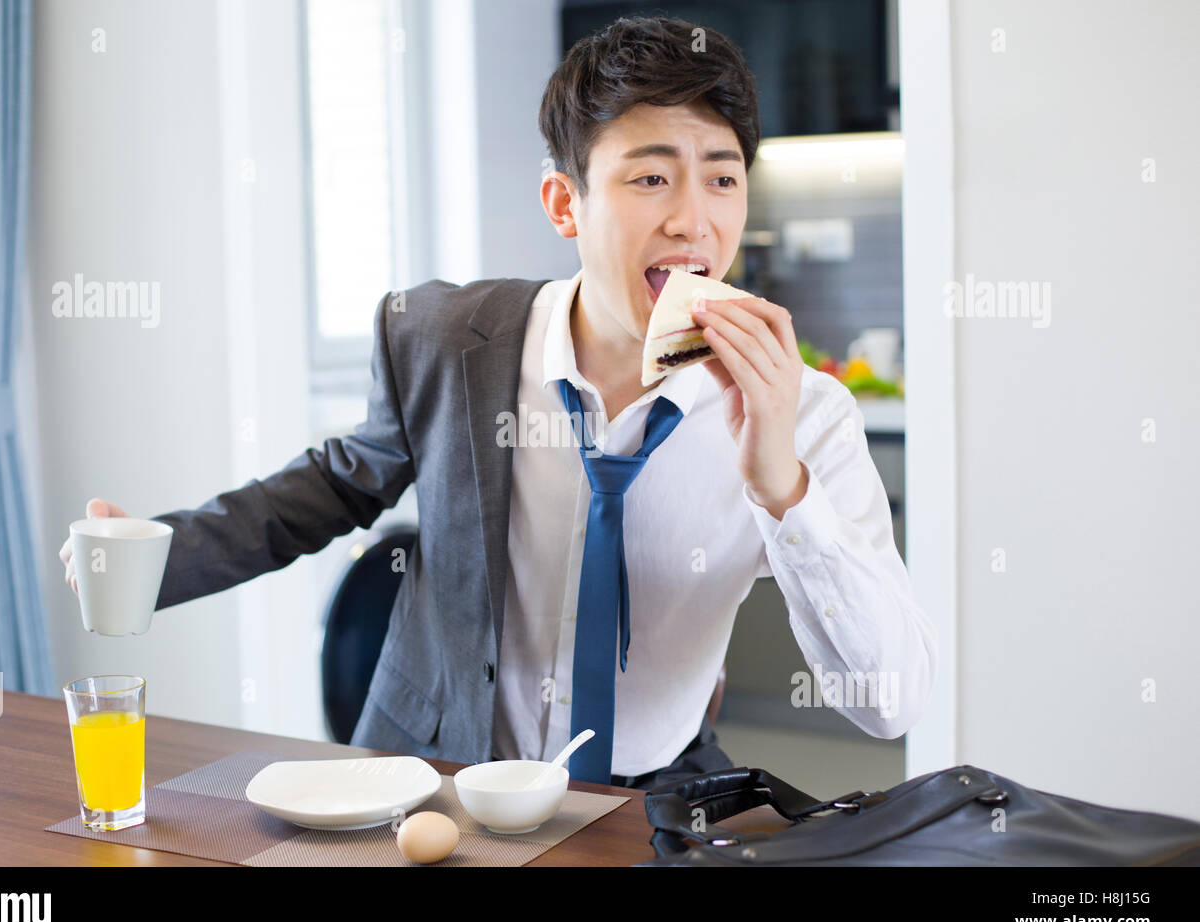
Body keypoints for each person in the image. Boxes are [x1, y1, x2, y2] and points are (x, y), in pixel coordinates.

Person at [59, 15, 936, 793]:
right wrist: (158, 556)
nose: (693, 220)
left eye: (722, 178)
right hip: (433, 779)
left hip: (651, 798)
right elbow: (329, 488)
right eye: (649, 179)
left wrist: (782, 486)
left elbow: (891, 703)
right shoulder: (444, 338)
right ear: (565, 202)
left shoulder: (806, 410)